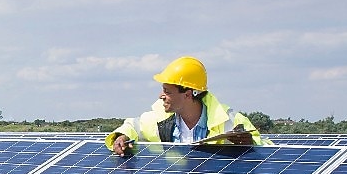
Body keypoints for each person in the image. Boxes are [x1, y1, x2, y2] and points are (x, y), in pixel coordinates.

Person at [106, 56, 263, 156]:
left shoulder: (230, 121)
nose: (161, 96)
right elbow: (132, 126)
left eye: (167, 91)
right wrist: (121, 136)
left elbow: (268, 151)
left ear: (187, 94)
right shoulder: (158, 119)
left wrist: (251, 145)